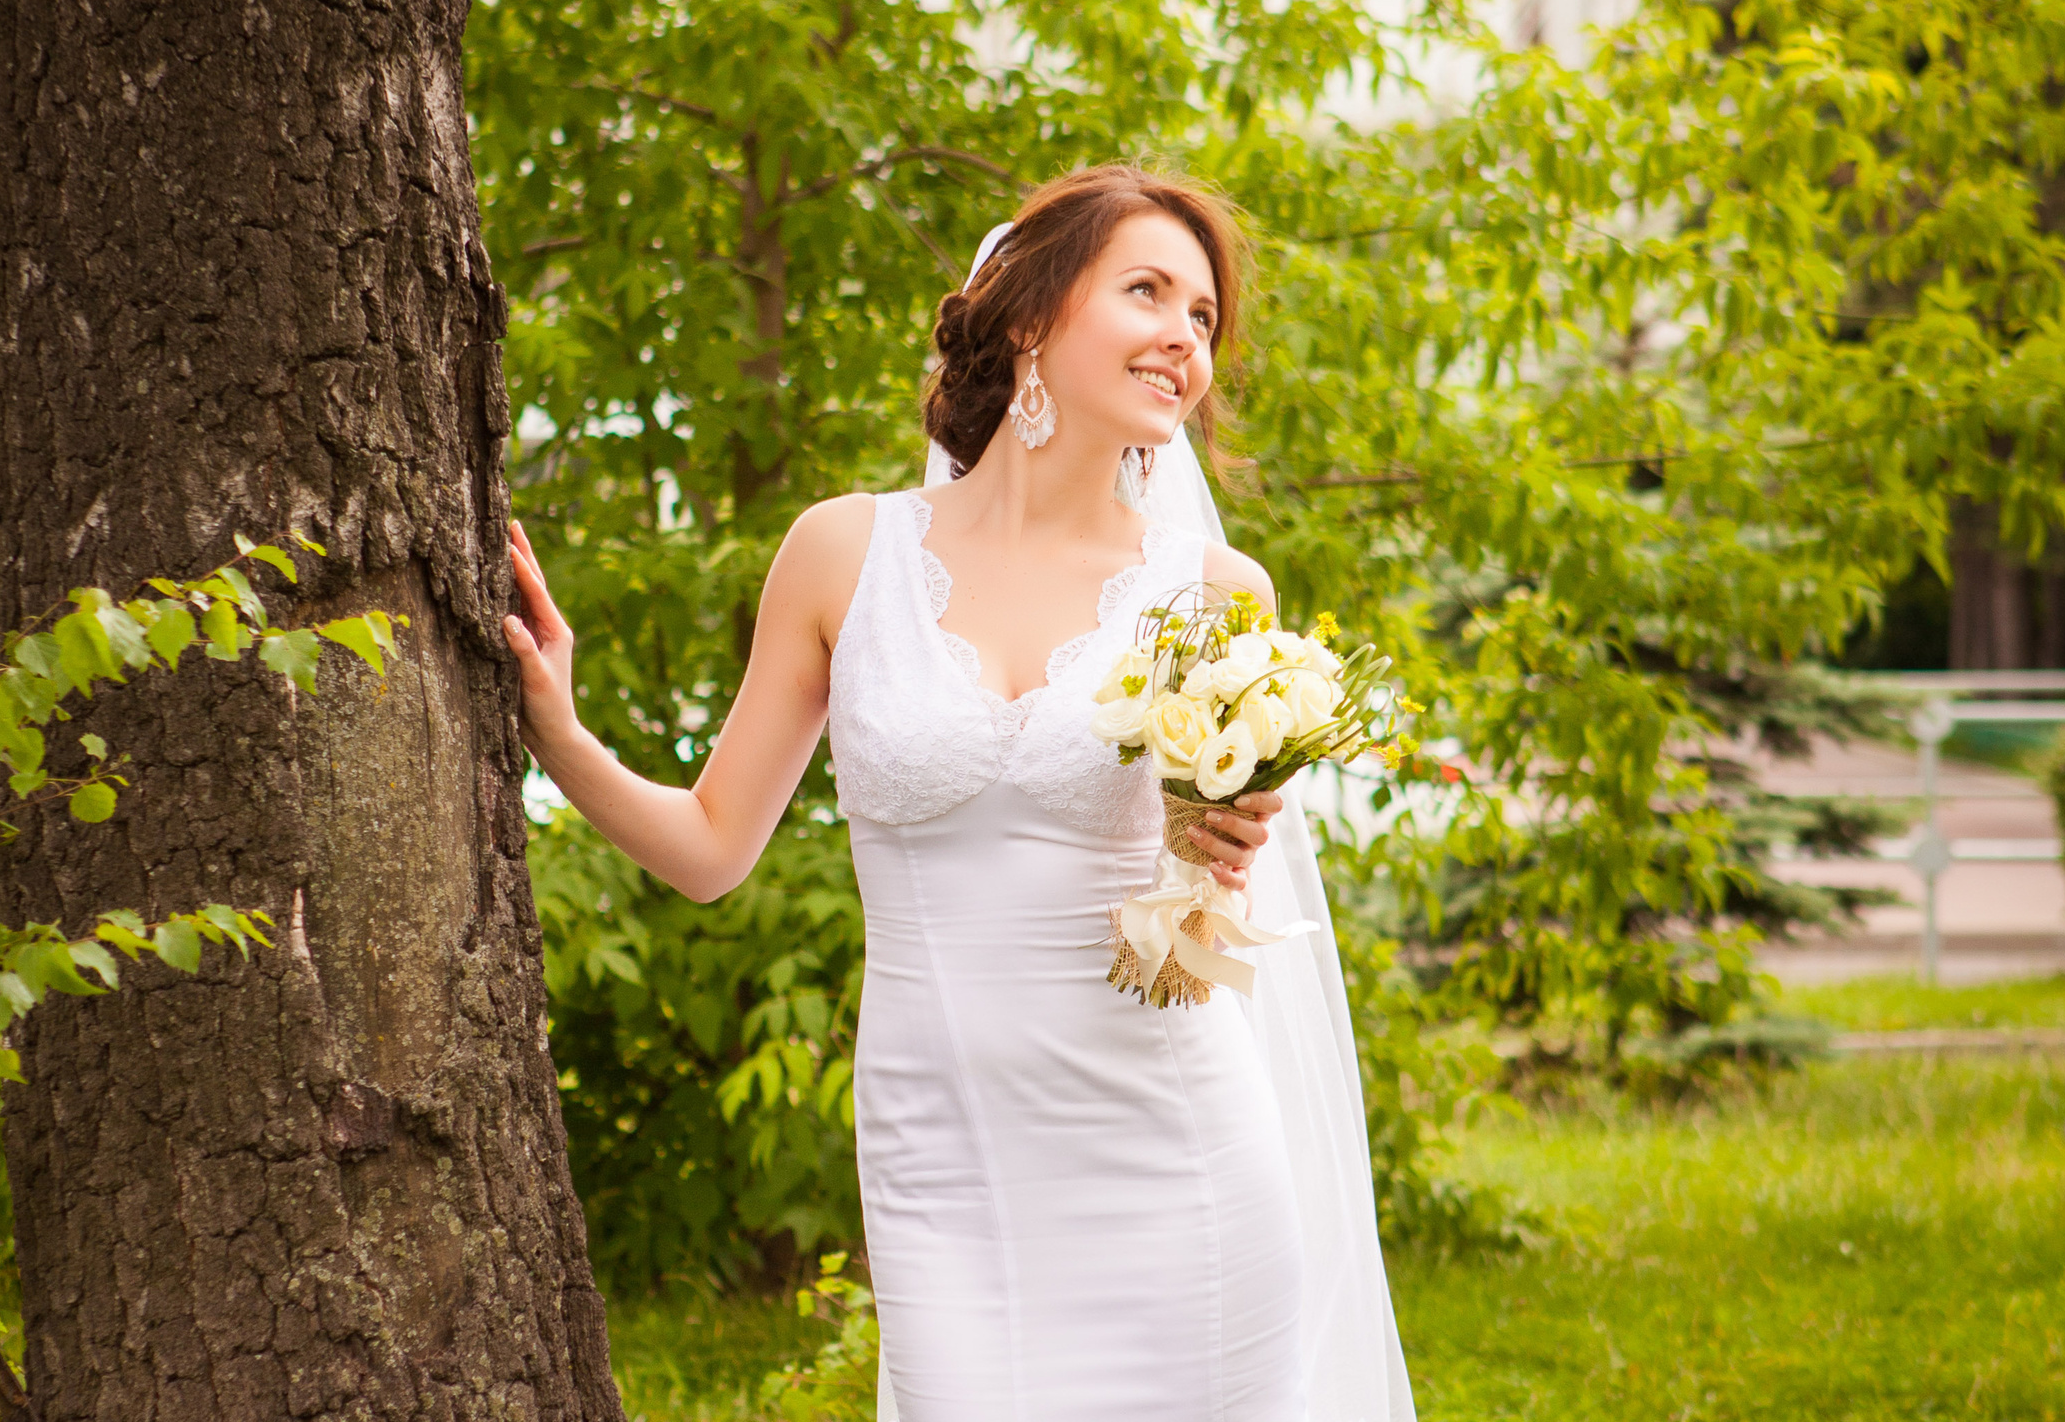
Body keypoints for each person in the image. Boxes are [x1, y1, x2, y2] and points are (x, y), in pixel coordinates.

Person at [505, 164, 1413, 1421]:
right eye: (1146, 290)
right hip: (951, 1165)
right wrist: (557, 728)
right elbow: (712, 849)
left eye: (1202, 317)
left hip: (1182, 1153)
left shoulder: (1214, 590)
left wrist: (1207, 848)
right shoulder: (843, 553)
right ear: (1031, 314)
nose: (1182, 339)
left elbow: (1198, 944)